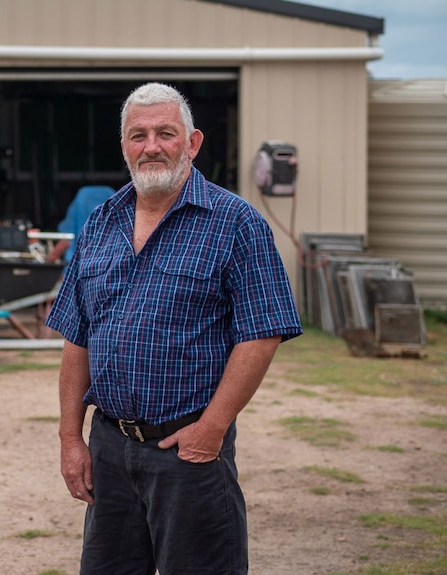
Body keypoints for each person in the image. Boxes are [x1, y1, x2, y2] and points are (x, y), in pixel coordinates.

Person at [45, 82, 303, 575]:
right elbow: (76, 334)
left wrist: (211, 429)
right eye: (138, 135)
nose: (152, 146)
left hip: (188, 454)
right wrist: (70, 439)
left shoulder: (236, 223)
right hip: (110, 449)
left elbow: (262, 334)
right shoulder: (101, 222)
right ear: (124, 146)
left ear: (193, 143)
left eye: (166, 132)